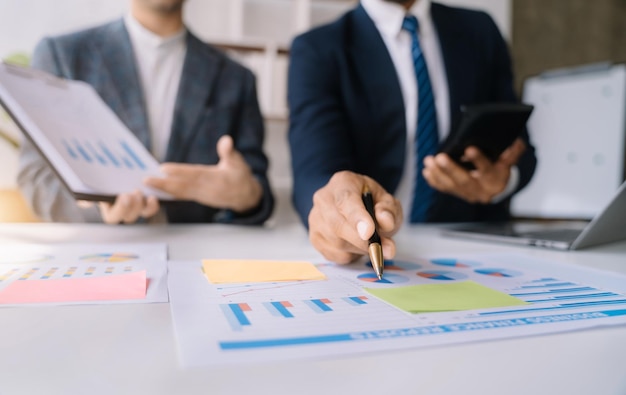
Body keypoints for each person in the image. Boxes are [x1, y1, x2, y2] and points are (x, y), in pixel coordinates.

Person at [287, 0, 537, 264]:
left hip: (473, 251)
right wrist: (334, 208)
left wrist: (501, 182)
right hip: (376, 248)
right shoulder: (317, 48)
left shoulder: (480, 31)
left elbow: (520, 148)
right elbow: (315, 170)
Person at [18, 0, 273, 225]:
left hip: (198, 257)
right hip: (98, 255)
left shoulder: (236, 79)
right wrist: (99, 205)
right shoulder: (63, 56)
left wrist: (248, 196)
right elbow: (36, 178)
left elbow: (258, 190)